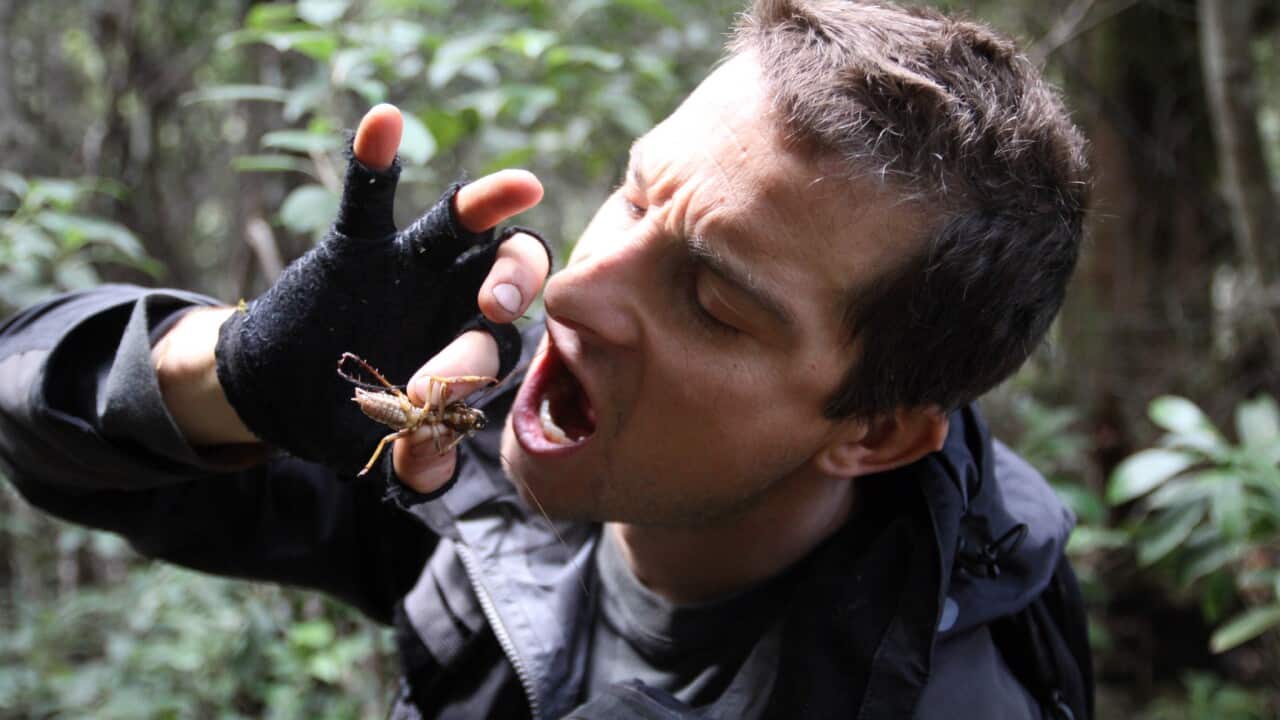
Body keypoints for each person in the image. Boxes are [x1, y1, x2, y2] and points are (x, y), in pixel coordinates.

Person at [0, 1, 1093, 718]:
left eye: (714, 303)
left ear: (875, 433)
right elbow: (38, 429)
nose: (572, 290)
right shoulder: (473, 454)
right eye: (633, 195)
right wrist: (231, 376)